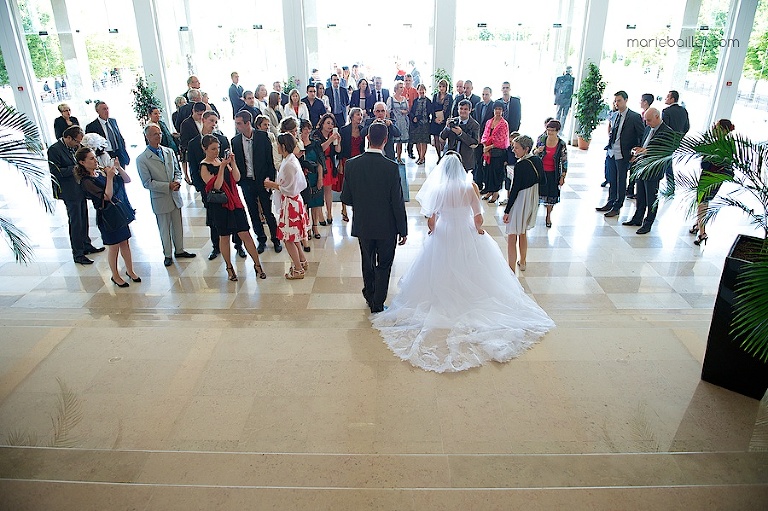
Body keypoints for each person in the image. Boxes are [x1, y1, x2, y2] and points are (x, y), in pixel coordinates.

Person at [370, 153, 553, 373]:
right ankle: (469, 298)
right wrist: (478, 229)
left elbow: (431, 218)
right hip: (465, 233)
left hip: (445, 234)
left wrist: (433, 230)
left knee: (440, 267)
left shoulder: (439, 190)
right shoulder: (469, 187)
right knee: (473, 268)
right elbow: (478, 216)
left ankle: (442, 297)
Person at [340, 122, 407, 314]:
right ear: (386, 141)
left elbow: (346, 198)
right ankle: (378, 302)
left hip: (364, 223)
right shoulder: (392, 167)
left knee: (367, 260)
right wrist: (403, 230)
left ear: (367, 138)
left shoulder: (352, 164)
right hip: (387, 227)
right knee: (384, 264)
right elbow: (397, 201)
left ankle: (369, 294)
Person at [199, 135, 266, 282]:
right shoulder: (204, 166)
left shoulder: (220, 161)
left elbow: (236, 178)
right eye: (212, 149)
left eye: (217, 148)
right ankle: (229, 267)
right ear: (205, 149)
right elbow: (215, 186)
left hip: (234, 203)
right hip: (220, 206)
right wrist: (222, 168)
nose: (216, 152)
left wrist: (232, 163)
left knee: (246, 234)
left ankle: (257, 265)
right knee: (224, 237)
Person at [76, 147, 138, 287]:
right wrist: (109, 178)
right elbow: (107, 196)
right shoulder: (86, 182)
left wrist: (118, 169)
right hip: (107, 216)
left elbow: (126, 180)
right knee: (114, 247)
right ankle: (115, 275)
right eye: (91, 159)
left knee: (125, 243)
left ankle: (130, 270)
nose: (95, 160)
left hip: (118, 213)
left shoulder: (100, 173)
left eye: (94, 157)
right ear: (82, 162)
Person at [187, 111, 245, 260]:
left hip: (227, 187)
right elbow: (193, 167)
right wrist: (201, 187)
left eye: (215, 121)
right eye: (211, 121)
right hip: (208, 188)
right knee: (214, 219)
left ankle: (239, 245)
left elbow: (227, 162)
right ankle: (216, 247)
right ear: (203, 120)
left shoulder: (222, 140)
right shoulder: (193, 144)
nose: (213, 124)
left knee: (234, 216)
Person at [135, 124, 196, 266]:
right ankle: (167, 254)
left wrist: (177, 181)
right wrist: (166, 186)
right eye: (155, 134)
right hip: (160, 198)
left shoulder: (168, 151)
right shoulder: (142, 159)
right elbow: (147, 183)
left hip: (174, 195)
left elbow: (177, 170)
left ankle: (179, 249)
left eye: (160, 133)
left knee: (178, 225)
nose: (158, 136)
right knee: (164, 227)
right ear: (147, 137)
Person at [48, 126, 104, 265]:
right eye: (76, 141)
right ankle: (78, 253)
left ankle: (86, 245)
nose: (78, 144)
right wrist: (75, 168)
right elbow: (56, 171)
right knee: (76, 221)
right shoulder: (54, 150)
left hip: (79, 188)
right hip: (68, 191)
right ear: (68, 138)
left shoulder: (73, 148)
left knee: (84, 217)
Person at [231, 110, 282, 254]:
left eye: (239, 123)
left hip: (263, 180)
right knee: (253, 212)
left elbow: (269, 161)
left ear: (248, 123)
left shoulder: (262, 136)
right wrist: (240, 181)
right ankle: (261, 239)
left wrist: (270, 179)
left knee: (268, 211)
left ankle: (276, 239)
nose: (237, 126)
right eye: (236, 124)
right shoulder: (235, 141)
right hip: (247, 182)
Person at [264, 134, 311, 279]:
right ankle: (302, 260)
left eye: (278, 145)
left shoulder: (289, 163)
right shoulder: (290, 160)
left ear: (283, 146)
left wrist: (272, 185)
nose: (276, 147)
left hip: (291, 203)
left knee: (288, 239)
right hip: (292, 202)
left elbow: (289, 188)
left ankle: (298, 269)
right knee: (293, 236)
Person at [623, 108, 677, 235]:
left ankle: (648, 224)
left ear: (657, 117)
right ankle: (637, 218)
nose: (646, 123)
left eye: (649, 120)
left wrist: (645, 151)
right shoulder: (648, 128)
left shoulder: (667, 132)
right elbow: (644, 144)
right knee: (640, 196)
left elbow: (665, 152)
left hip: (653, 171)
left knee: (651, 199)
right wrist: (639, 150)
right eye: (645, 120)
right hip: (642, 167)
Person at [596, 91, 644, 218]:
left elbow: (641, 135)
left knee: (621, 180)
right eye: (615, 101)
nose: (616, 103)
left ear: (626, 100)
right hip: (612, 152)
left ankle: (617, 206)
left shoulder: (634, 116)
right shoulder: (615, 115)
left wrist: (636, 153)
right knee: (612, 179)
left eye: (619, 100)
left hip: (623, 153)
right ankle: (610, 202)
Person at [687, 119, 735, 245]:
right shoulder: (723, 143)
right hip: (711, 177)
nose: (714, 129)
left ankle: (702, 232)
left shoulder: (723, 145)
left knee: (702, 202)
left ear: (723, 130)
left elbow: (711, 162)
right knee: (703, 201)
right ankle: (698, 225)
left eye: (716, 127)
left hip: (711, 178)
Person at [503, 136, 541, 271]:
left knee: (512, 234)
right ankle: (523, 262)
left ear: (526, 149)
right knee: (523, 232)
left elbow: (514, 190)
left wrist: (507, 210)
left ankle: (511, 269)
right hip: (531, 200)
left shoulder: (520, 165)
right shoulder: (536, 160)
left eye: (516, 147)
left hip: (520, 201)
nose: (513, 150)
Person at [533, 120, 567, 228]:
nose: (550, 132)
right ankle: (533, 216)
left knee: (551, 196)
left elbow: (564, 160)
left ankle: (548, 216)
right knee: (537, 195)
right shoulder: (541, 139)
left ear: (557, 131)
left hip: (553, 173)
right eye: (548, 130)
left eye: (552, 130)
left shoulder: (561, 144)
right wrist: (538, 150)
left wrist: (563, 176)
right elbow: (533, 152)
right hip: (540, 171)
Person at [313, 113, 342, 225]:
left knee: (328, 190)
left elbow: (338, 151)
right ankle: (320, 214)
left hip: (330, 163)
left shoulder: (333, 135)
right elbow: (319, 149)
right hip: (319, 164)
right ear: (323, 124)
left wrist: (338, 142)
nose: (330, 125)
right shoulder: (316, 134)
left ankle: (329, 212)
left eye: (332, 123)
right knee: (319, 190)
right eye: (328, 123)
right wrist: (330, 140)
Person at [299, 119, 325, 240]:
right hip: (302, 178)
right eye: (304, 129)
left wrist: (320, 178)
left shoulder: (315, 144)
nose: (307, 132)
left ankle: (315, 226)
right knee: (305, 204)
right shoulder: (297, 146)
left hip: (314, 176)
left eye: (308, 129)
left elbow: (319, 162)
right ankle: (307, 227)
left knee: (315, 203)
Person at [479, 101, 510, 203]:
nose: (498, 111)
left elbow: (502, 141)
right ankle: (489, 190)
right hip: (487, 151)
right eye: (496, 109)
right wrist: (485, 147)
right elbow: (485, 135)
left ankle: (496, 192)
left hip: (498, 152)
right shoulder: (489, 122)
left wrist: (489, 147)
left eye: (500, 109)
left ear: (502, 111)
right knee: (487, 171)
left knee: (496, 172)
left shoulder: (504, 124)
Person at [85, 101, 130, 167]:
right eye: (104, 109)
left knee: (123, 175)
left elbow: (119, 137)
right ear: (97, 111)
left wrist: (123, 150)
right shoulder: (92, 126)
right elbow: (91, 145)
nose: (107, 111)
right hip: (106, 155)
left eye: (107, 108)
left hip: (119, 154)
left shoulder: (113, 121)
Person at [440, 99, 480, 173]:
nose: (463, 111)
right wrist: (447, 128)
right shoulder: (453, 121)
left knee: (462, 183)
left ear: (470, 110)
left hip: (465, 159)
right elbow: (442, 138)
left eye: (465, 109)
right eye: (461, 109)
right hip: (450, 156)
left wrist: (461, 134)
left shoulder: (475, 125)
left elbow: (475, 143)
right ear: (458, 110)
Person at [661, 90, 690, 190]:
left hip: (666, 142)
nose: (665, 98)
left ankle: (671, 184)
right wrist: (680, 137)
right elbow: (687, 127)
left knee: (666, 162)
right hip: (676, 142)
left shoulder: (666, 111)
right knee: (668, 161)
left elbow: (664, 128)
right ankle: (671, 184)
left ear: (672, 99)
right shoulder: (683, 111)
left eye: (667, 97)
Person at [387, 81, 410, 164]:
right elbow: (388, 110)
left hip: (403, 122)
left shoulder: (404, 99)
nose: (402, 89)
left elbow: (408, 110)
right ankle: (392, 156)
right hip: (395, 121)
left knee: (400, 141)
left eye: (402, 87)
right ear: (396, 88)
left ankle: (399, 157)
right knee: (393, 140)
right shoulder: (391, 99)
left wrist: (405, 111)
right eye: (400, 87)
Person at [409, 84, 431, 165]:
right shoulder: (415, 101)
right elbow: (411, 111)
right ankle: (419, 156)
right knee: (417, 141)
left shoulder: (428, 101)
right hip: (416, 123)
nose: (421, 91)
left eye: (423, 90)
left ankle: (422, 158)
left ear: (425, 91)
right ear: (417, 91)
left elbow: (429, 112)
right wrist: (414, 118)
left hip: (425, 123)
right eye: (420, 90)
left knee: (424, 141)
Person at [430, 79, 452, 161]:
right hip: (435, 120)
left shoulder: (449, 97)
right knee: (436, 138)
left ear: (446, 87)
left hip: (444, 120)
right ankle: (438, 156)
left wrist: (443, 119)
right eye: (440, 86)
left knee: (443, 138)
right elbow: (432, 108)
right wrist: (435, 118)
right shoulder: (436, 96)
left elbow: (450, 109)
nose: (441, 88)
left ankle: (443, 155)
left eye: (443, 86)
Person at [403, 74, 419, 159]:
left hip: (412, 114)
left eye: (409, 80)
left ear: (412, 81)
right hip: (402, 114)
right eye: (406, 80)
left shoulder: (415, 91)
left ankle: (410, 150)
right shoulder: (401, 90)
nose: (408, 82)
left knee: (411, 133)